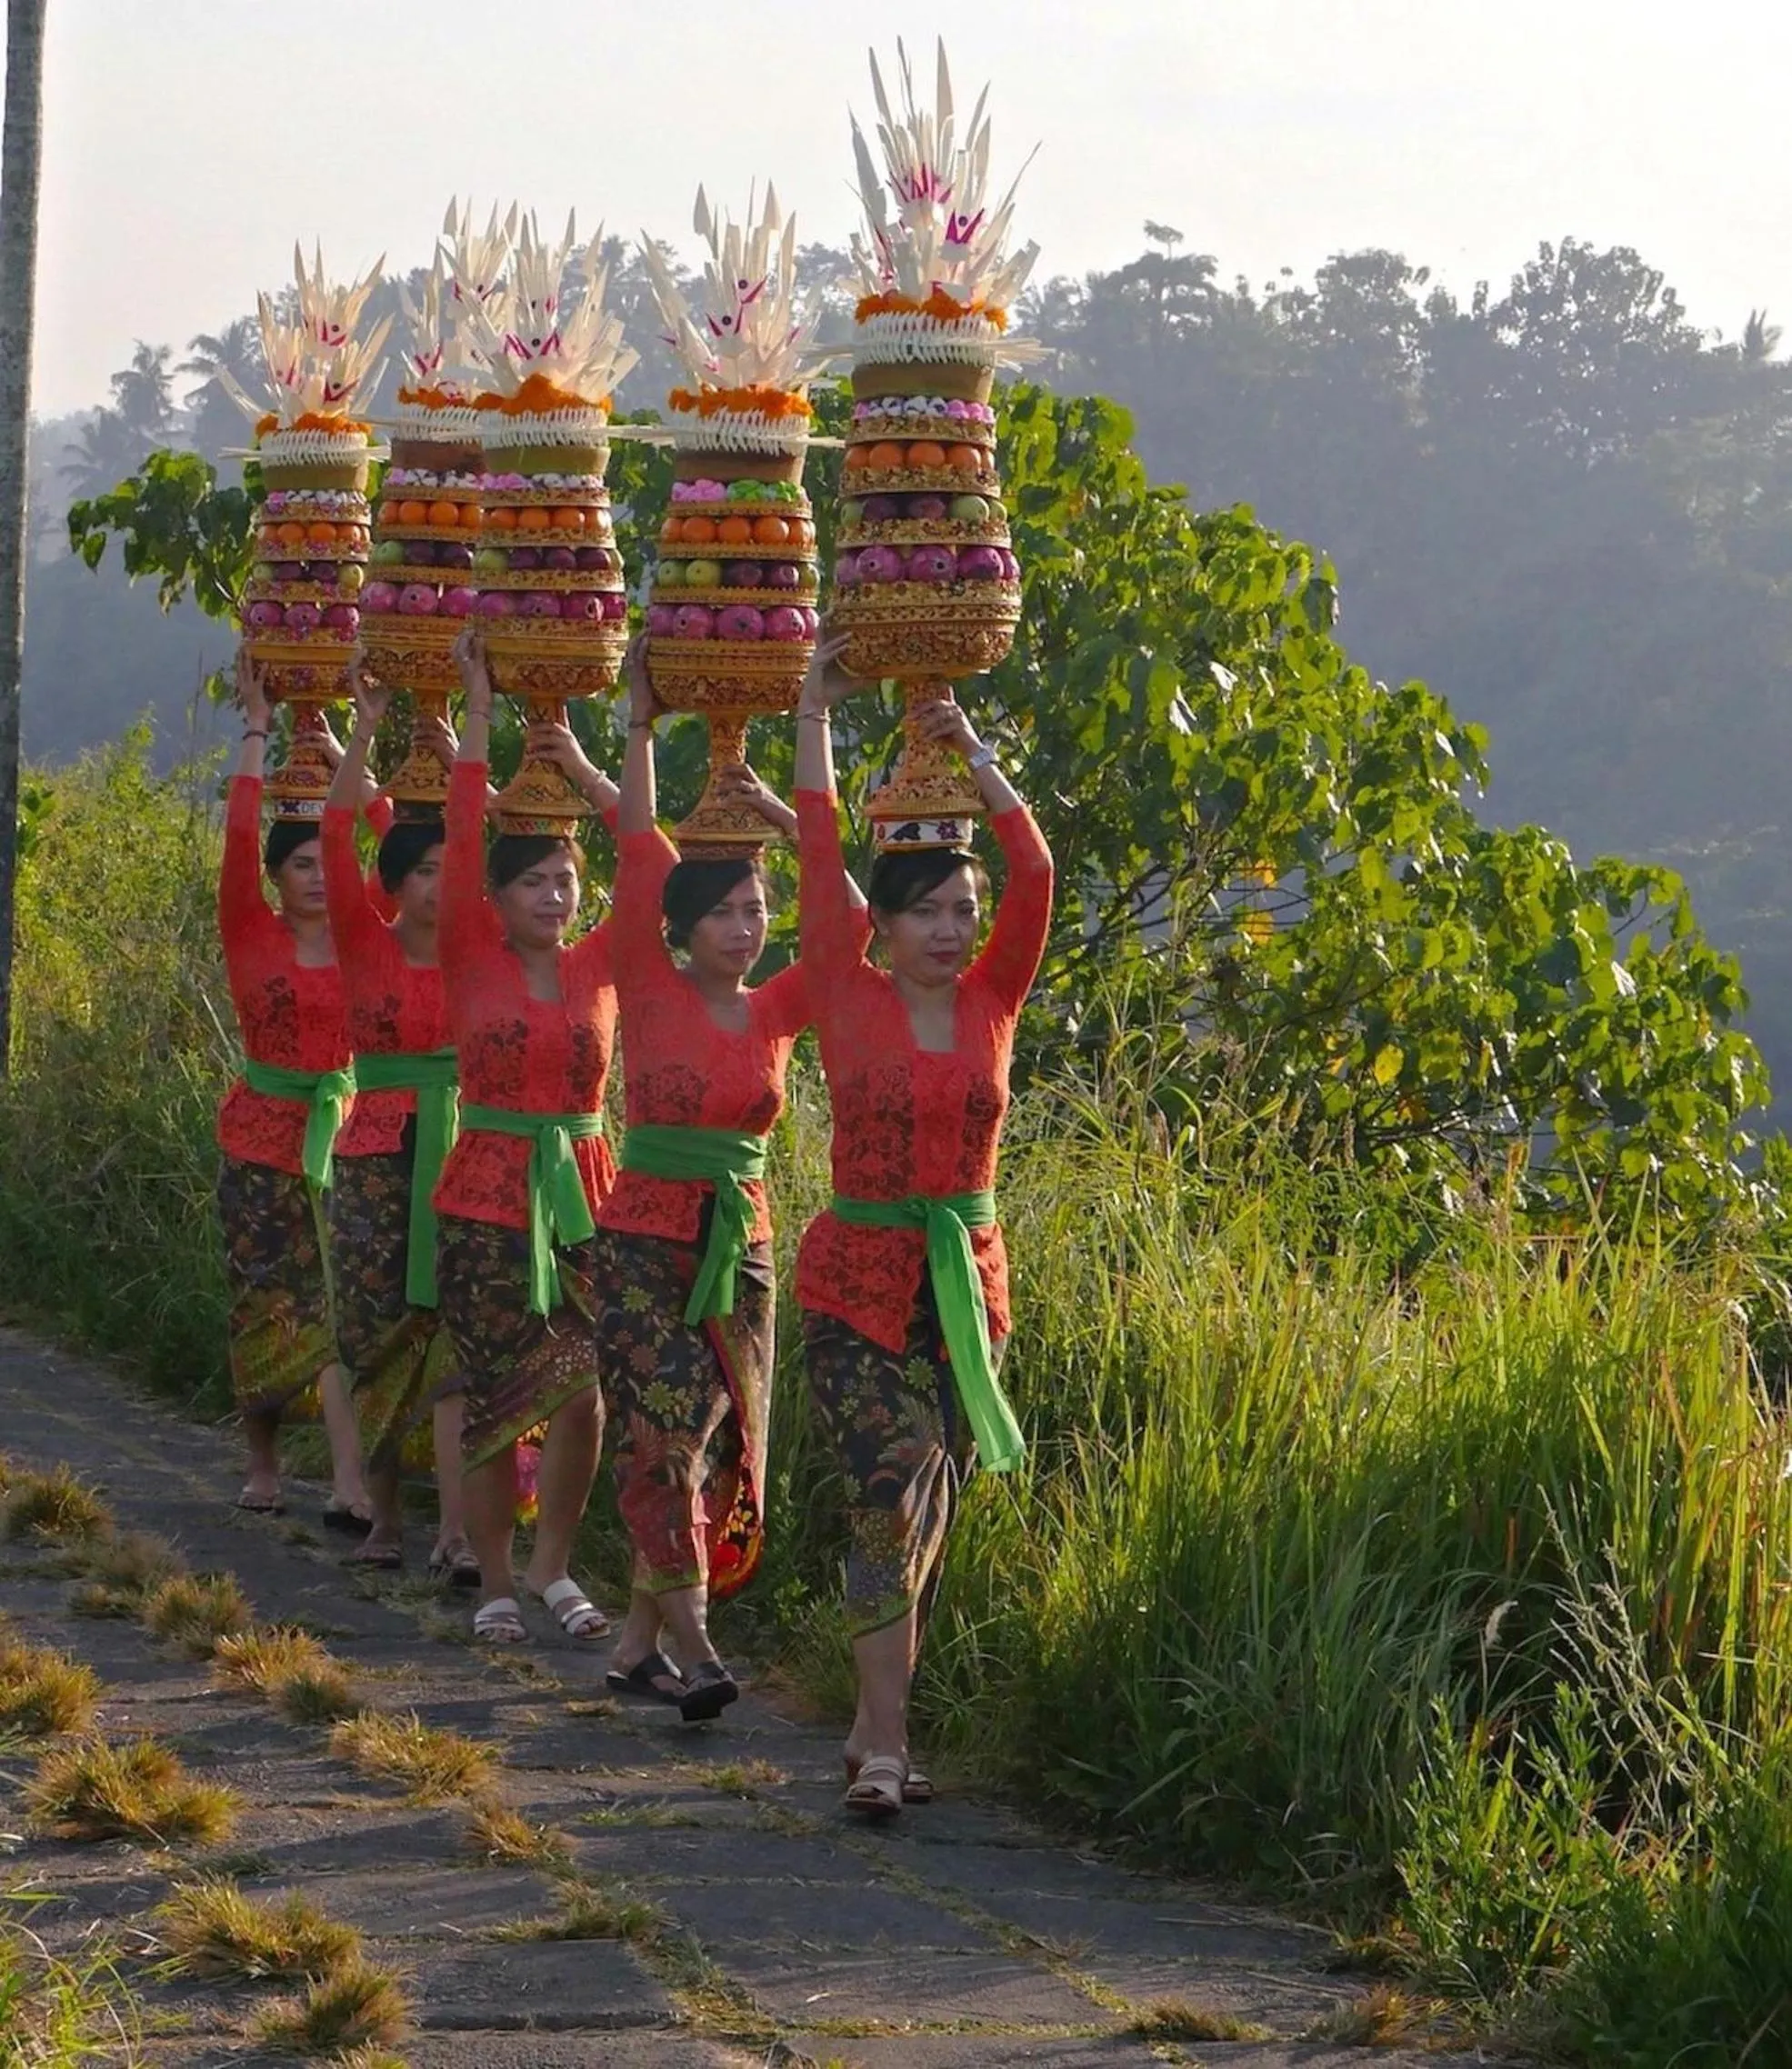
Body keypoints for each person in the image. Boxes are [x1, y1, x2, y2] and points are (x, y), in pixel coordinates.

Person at [793, 635, 1054, 1819]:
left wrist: (972, 753)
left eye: (964, 912)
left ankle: (866, 1721)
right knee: (888, 1487)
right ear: (883, 927)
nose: (952, 930)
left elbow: (1035, 870)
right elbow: (808, 852)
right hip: (853, 1287)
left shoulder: (993, 1000)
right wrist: (814, 710)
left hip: (961, 1295)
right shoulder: (846, 998)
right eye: (931, 914)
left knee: (930, 1501)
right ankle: (888, 1744)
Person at [594, 639, 867, 1723]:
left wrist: (788, 799)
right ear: (679, 926)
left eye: (757, 911)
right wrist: (639, 726)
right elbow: (630, 847)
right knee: (661, 1434)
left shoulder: (775, 1010)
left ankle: (632, 1645)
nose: (747, 928)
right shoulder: (646, 984)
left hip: (740, 1250)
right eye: (725, 913)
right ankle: (699, 1649)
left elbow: (849, 926)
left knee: (711, 1447)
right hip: (639, 1243)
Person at [433, 626, 672, 1646]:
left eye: (567, 882)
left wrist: (582, 755)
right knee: (495, 1391)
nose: (556, 894)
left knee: (585, 1398)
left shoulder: (598, 966)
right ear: (494, 897)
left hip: (582, 1191)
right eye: (534, 880)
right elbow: (455, 826)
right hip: (484, 1192)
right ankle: (490, 1577)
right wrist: (479, 714)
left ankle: (554, 1566)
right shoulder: (469, 953)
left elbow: (653, 862)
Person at [320, 672, 475, 1583]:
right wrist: (367, 727)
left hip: (464, 1155)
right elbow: (338, 832)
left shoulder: (480, 944)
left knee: (461, 1343)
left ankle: (459, 1530)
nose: (442, 881)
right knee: (378, 1335)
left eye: (454, 868)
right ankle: (382, 1512)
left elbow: (492, 829)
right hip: (379, 1156)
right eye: (425, 867)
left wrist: (458, 734)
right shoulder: (363, 939)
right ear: (395, 881)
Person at [218, 656, 377, 1528]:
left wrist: (362, 728)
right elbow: (239, 839)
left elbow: (385, 833)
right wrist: (256, 730)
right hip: (259, 1142)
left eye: (331, 861)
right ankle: (264, 1457)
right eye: (303, 863)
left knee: (339, 1308)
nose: (319, 875)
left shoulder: (367, 938)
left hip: (347, 1138)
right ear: (278, 876)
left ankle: (351, 1479)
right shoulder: (250, 931)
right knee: (263, 1297)